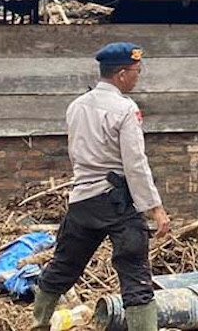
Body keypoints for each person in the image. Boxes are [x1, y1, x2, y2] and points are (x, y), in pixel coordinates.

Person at [32, 43, 171, 331]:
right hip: (117, 203)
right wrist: (155, 209)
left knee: (63, 266)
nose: (138, 76)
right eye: (136, 71)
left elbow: (75, 153)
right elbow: (135, 164)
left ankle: (38, 324)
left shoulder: (76, 106)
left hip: (82, 200)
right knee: (135, 275)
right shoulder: (125, 109)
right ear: (121, 74)